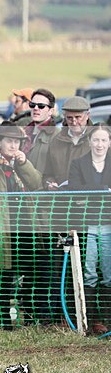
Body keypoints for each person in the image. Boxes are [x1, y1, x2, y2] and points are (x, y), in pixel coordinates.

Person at [0, 122, 43, 329]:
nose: (13, 145)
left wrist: (24, 164)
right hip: (0, 228)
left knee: (30, 272)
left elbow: (36, 183)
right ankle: (1, 322)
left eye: (17, 142)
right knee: (1, 277)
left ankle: (30, 319)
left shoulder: (21, 163)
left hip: (24, 227)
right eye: (9, 141)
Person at [68, 124, 111, 335]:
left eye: (104, 140)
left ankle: (107, 319)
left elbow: (83, 195)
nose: (99, 144)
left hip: (109, 225)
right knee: (89, 272)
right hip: (88, 225)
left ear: (109, 142)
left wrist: (88, 197)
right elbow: (75, 189)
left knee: (109, 273)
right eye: (96, 140)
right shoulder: (78, 163)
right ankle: (91, 320)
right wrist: (103, 190)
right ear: (90, 141)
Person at [44, 96, 93, 190]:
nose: (74, 122)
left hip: (91, 197)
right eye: (69, 118)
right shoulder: (56, 141)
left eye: (78, 117)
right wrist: (50, 184)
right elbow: (47, 174)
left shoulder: (98, 140)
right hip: (63, 196)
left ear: (87, 115)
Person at [22, 88, 58, 174]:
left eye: (41, 106)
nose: (35, 108)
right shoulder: (23, 132)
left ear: (51, 111)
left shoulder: (58, 135)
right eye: (32, 105)